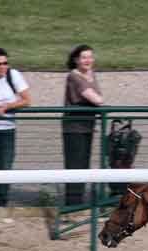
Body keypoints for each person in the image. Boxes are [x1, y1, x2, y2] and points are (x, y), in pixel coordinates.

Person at [62, 44, 103, 205]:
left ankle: (79, 202)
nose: (88, 60)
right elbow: (97, 99)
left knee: (84, 165)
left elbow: (98, 97)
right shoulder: (74, 76)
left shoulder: (90, 75)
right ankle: (72, 204)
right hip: (74, 129)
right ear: (76, 60)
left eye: (90, 57)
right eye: (84, 57)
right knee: (75, 166)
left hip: (87, 127)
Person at [0, 48, 31, 207]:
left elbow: (27, 100)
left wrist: (8, 106)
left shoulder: (13, 75)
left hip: (7, 128)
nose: (2, 67)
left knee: (5, 164)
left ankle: (2, 199)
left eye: (5, 63)